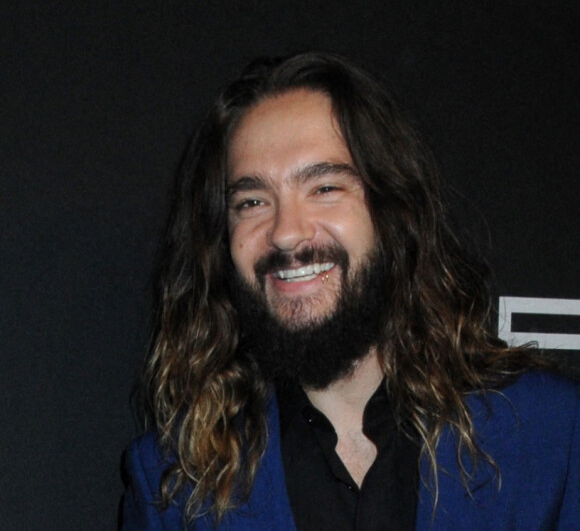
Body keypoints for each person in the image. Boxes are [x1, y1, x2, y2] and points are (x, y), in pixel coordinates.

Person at [121, 52, 579, 530]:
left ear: (393, 210)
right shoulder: (173, 484)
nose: (286, 233)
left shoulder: (552, 435)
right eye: (252, 201)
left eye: (324, 188)